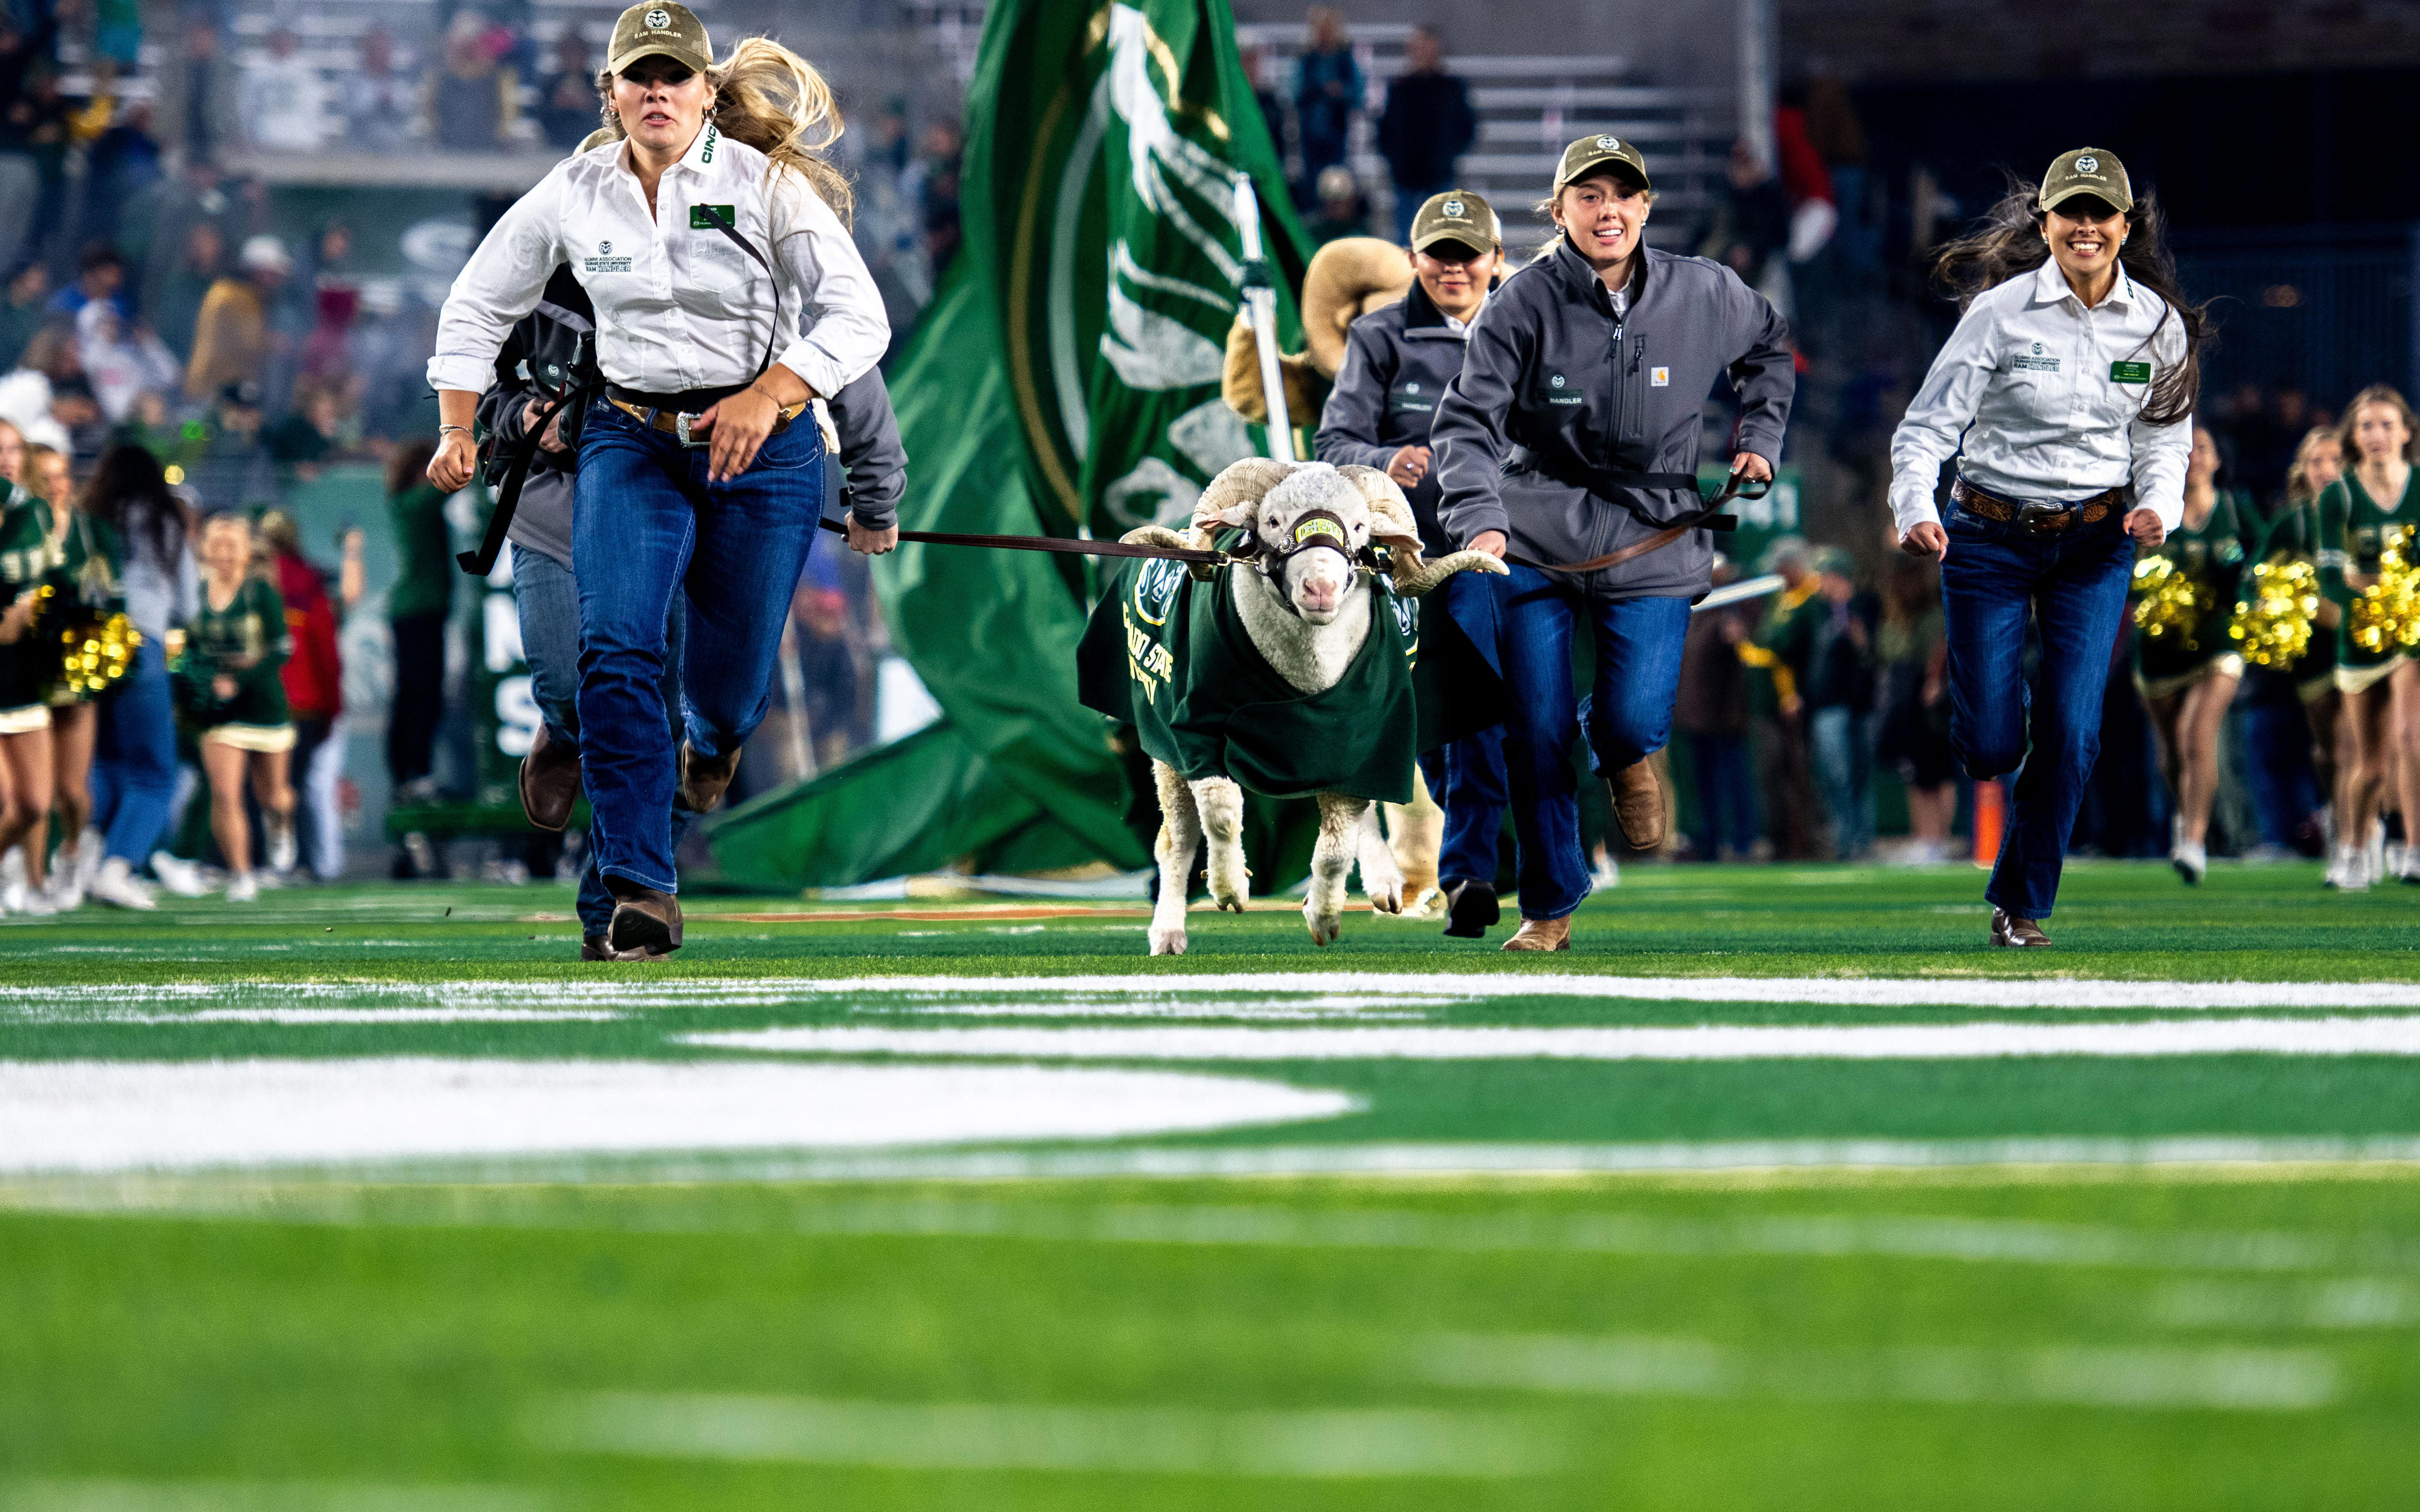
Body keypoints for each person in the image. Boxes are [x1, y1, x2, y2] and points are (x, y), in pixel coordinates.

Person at [426, 4, 889, 958]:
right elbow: (476, 304)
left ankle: (713, 747)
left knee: (725, 691)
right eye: (637, 76)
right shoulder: (572, 191)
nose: (655, 91)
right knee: (617, 650)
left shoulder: (767, 187)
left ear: (706, 93)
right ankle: (641, 887)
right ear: (610, 94)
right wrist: (457, 426)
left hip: (762, 451)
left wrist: (778, 389)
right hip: (630, 441)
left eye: (674, 76)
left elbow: (858, 317)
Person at [1429, 134, 1794, 950]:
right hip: (1533, 527)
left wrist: (1760, 434)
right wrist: (1479, 516)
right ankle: (1550, 905)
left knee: (1630, 720)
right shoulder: (1518, 301)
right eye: (1588, 196)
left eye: (1622, 194)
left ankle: (1622, 749)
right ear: (1558, 212)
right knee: (1534, 721)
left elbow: (1771, 349)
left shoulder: (1708, 291)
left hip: (1654, 533)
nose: (1608, 210)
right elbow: (1467, 422)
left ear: (1645, 206)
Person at [1891, 148, 2198, 947]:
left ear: (2127, 227)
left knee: (2073, 729)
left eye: (2103, 213)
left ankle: (2020, 904)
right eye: (2073, 212)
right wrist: (1912, 506)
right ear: (2047, 223)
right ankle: (1996, 712)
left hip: (2098, 541)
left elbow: (2166, 439)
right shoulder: (1997, 312)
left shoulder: (2160, 326)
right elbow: (1927, 427)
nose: (2087, 226)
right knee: (1993, 744)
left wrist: (2161, 503)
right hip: (1988, 535)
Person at [1314, 189, 1507, 933]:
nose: (1454, 269)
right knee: (1434, 722)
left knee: (1484, 708)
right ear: (1413, 260)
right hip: (1407, 559)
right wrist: (1383, 459)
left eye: (1469, 255)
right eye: (1441, 254)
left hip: (1493, 553)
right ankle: (1472, 859)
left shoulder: (1530, 330)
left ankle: (1469, 868)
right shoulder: (1379, 337)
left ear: (1495, 260)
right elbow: (1333, 443)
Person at [2131, 424, 2253, 883]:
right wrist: (2156, 595)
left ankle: (2196, 840)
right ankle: (2186, 815)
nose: (2195, 456)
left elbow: (2267, 563)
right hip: (2162, 652)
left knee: (2196, 734)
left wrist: (2248, 583)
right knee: (2171, 753)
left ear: (2218, 460)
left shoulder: (2236, 509)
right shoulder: (2151, 512)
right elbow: (2124, 578)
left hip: (2220, 644)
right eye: (2187, 449)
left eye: (2204, 447)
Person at [2317, 386, 2420, 890]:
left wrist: (2386, 588)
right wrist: (2377, 596)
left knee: (2411, 737)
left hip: (2413, 634)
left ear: (2405, 431)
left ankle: (2413, 848)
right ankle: (2354, 845)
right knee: (2369, 764)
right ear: (2354, 438)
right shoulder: (2338, 496)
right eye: (2366, 426)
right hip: (2359, 639)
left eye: (2386, 424)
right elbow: (2332, 579)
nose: (2377, 435)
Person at [83, 444, 193, 909]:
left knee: (105, 760)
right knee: (154, 772)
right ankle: (118, 865)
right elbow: (189, 603)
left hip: (90, 642)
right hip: (143, 641)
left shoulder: (95, 516)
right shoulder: (164, 518)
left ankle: (83, 857)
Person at [179, 511, 292, 903]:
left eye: (233, 546)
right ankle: (241, 873)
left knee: (274, 796)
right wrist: (200, 680)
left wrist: (239, 679)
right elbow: (183, 647)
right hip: (219, 711)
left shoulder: (260, 593)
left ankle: (281, 824)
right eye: (217, 546)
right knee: (225, 793)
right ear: (205, 550)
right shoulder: (193, 593)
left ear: (246, 552)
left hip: (263, 706)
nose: (225, 554)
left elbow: (281, 651)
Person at [2247, 425, 2345, 866]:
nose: (2327, 470)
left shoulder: (2363, 512)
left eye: (2336, 460)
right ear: (2302, 470)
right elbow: (2256, 574)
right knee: (2327, 749)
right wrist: (2267, 604)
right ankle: (2340, 814)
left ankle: (2361, 832)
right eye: (2316, 461)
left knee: (2364, 745)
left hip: (2362, 643)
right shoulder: (2292, 521)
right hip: (2314, 655)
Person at [28, 441, 111, 906]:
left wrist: (100, 652)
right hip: (29, 669)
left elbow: (113, 601)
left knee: (71, 791)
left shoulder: (93, 531)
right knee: (33, 788)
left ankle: (76, 849)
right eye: (48, 475)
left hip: (79, 669)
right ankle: (32, 877)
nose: (58, 484)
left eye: (64, 474)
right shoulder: (23, 527)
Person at [258, 510, 342, 880]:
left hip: (263, 700)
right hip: (306, 704)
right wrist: (331, 707)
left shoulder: (252, 582)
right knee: (296, 786)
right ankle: (304, 862)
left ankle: (253, 863)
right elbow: (327, 653)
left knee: (259, 786)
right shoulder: (311, 584)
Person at [0, 418, 57, 912]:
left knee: (36, 804)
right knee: (2, 797)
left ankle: (12, 869)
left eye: (14, 449)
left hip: (21, 678)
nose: (7, 459)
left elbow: (51, 584)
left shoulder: (33, 513)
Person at [1675, 556, 1758, 862]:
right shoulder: (1692, 611)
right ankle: (1708, 843)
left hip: (1724, 718)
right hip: (1695, 719)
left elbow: (1741, 661)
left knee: (1734, 782)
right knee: (1704, 787)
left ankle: (1742, 842)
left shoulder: (1730, 610)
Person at [384, 439, 451, 810]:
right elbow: (450, 484)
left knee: (420, 694)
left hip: (421, 611)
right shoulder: (414, 505)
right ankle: (411, 774)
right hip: (416, 612)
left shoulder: (407, 504)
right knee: (419, 694)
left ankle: (412, 774)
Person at [1874, 554, 1954, 863]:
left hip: (1930, 701)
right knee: (1916, 774)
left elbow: (1937, 649)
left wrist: (1934, 680)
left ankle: (1938, 841)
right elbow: (1887, 653)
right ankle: (1925, 839)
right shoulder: (1895, 617)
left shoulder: (1934, 615)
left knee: (1937, 773)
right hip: (1904, 700)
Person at [1804, 545, 1879, 860]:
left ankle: (1862, 841)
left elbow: (1875, 655)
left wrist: (1862, 642)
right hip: (1828, 705)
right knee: (1835, 776)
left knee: (1860, 774)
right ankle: (1843, 840)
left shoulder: (1867, 605)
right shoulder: (1815, 611)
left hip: (1862, 704)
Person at [1375, 26, 1474, 246]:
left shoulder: (1451, 87)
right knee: (1406, 240)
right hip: (1406, 176)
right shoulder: (1400, 87)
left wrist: (1447, 155)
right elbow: (1386, 128)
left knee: (1442, 236)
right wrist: (1395, 160)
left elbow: (1466, 127)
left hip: (1439, 173)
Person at [185, 234, 288, 401]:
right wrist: (277, 344)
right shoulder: (236, 295)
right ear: (260, 271)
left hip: (224, 384)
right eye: (274, 273)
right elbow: (249, 340)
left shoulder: (230, 290)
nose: (278, 280)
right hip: (212, 382)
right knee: (195, 425)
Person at [1292, 7, 1360, 200]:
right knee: (1313, 183)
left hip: (1337, 133)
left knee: (1339, 182)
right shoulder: (1307, 60)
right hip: (1311, 133)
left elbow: (1356, 93)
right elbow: (1295, 91)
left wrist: (1341, 92)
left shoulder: (1345, 60)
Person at [241, 27, 327, 153]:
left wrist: (315, 137)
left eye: (287, 39)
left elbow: (315, 107)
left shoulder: (307, 71)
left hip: (302, 140)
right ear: (269, 40)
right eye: (278, 39)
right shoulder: (255, 72)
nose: (283, 43)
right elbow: (247, 107)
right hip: (266, 139)